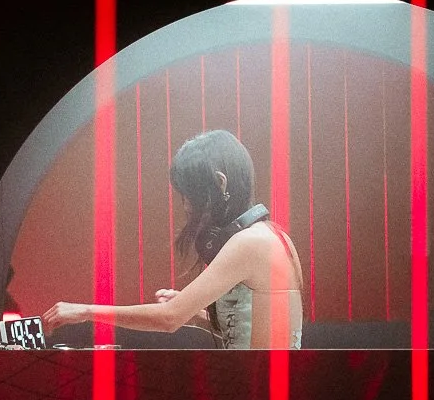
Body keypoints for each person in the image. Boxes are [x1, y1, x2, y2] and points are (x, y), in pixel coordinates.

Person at [42, 129, 303, 350]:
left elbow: (169, 319)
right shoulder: (274, 235)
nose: (186, 205)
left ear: (219, 183)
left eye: (189, 194)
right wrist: (198, 315)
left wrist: (86, 312)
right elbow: (261, 330)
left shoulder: (248, 243)